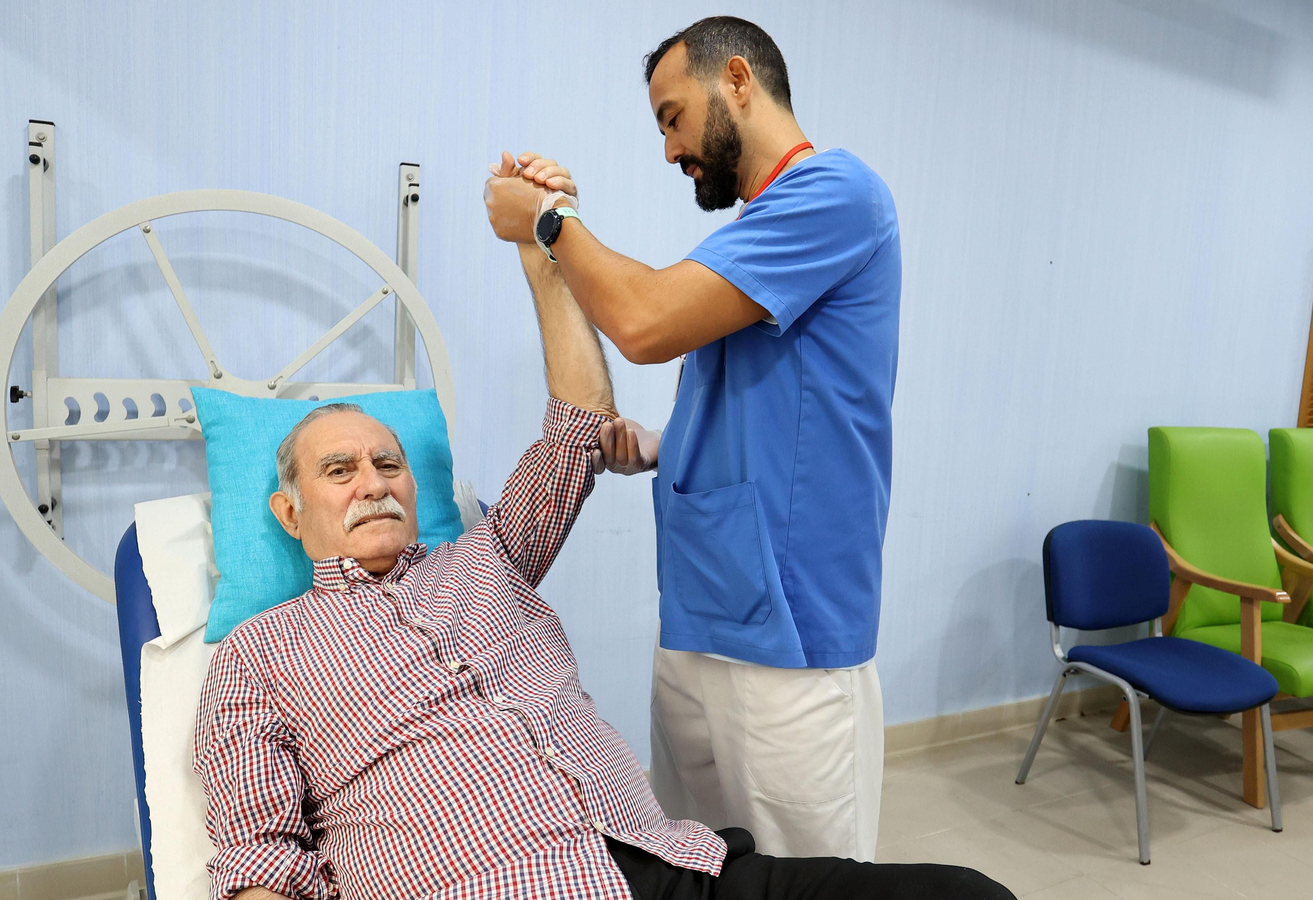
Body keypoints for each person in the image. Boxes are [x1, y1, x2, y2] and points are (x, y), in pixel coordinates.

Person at [190, 222, 997, 900]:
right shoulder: (260, 656)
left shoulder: (489, 555)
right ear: (288, 512)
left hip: (665, 867)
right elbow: (263, 859)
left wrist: (541, 258)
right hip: (478, 885)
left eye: (389, 464)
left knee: (973, 896)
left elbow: (579, 423)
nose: (374, 484)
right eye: (340, 471)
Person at [482, 15, 900, 860]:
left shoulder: (837, 195)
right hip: (700, 614)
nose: (670, 150)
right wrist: (663, 444)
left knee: (802, 879)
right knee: (695, 868)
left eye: (672, 117)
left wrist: (551, 222)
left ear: (737, 80)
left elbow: (642, 321)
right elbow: (770, 402)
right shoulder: (753, 231)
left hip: (793, 632)